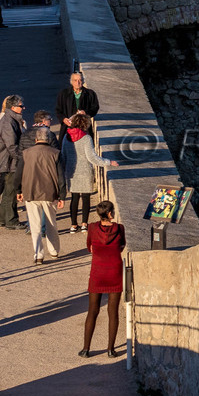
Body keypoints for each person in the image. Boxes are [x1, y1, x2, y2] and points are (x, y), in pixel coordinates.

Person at [79, 201, 125, 358]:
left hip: (97, 272)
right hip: (114, 272)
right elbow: (122, 245)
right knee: (113, 312)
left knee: (92, 311)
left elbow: (89, 246)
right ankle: (111, 349)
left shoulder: (91, 228)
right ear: (110, 214)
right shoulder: (119, 229)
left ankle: (86, 348)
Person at [18, 125, 65, 264]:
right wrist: (62, 196)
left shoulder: (26, 153)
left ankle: (38, 254)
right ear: (49, 138)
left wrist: (18, 191)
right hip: (50, 193)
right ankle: (54, 250)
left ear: (36, 138)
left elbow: (18, 174)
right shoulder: (55, 153)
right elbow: (61, 177)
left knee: (35, 225)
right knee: (51, 223)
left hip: (30, 192)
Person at [66, 113, 110, 234]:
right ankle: (84, 224)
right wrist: (108, 162)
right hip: (85, 170)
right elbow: (92, 158)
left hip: (71, 171)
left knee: (74, 198)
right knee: (85, 198)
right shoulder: (86, 138)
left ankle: (73, 225)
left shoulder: (67, 137)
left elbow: (63, 156)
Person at [0, 96, 27, 227]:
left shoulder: (9, 120)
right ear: (13, 108)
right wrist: (22, 159)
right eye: (21, 105)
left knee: (8, 192)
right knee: (11, 192)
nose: (23, 108)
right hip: (10, 162)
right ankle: (11, 221)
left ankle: (4, 219)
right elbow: (12, 146)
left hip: (8, 161)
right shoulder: (9, 123)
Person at [55, 71, 100, 135]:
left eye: (80, 80)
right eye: (75, 80)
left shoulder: (90, 94)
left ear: (83, 81)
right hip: (68, 129)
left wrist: (85, 112)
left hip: (84, 129)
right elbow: (58, 110)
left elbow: (95, 107)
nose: (78, 83)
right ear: (71, 82)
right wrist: (63, 119)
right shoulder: (64, 94)